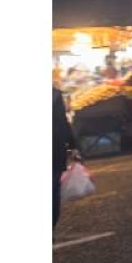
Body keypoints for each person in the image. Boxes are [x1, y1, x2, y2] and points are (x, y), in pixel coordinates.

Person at [53, 87, 78, 228]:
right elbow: (62, 122)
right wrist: (72, 145)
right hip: (54, 147)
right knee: (52, 191)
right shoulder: (54, 94)